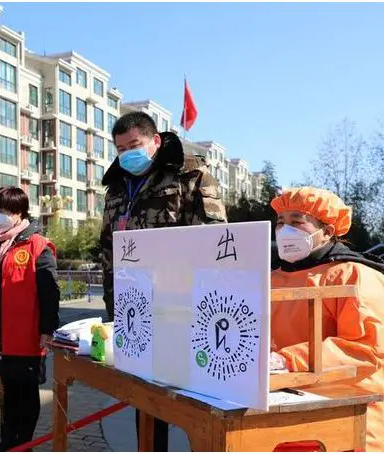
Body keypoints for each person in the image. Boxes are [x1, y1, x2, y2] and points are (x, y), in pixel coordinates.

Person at [100, 112, 227, 450]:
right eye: (121, 148)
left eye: (135, 145)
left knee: (190, 404)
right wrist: (112, 308)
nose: (128, 153)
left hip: (181, 311)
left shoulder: (192, 176)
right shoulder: (115, 186)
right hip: (132, 313)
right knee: (145, 401)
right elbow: (107, 249)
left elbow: (212, 244)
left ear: (155, 141)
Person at [268, 187, 384, 452]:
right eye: (280, 223)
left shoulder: (357, 277)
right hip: (279, 414)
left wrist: (285, 360)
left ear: (327, 231)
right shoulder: (272, 278)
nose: (284, 231)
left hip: (343, 420)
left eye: (296, 222)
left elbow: (364, 351)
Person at [0, 186, 60, 451]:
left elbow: (50, 293)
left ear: (19, 213)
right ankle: (8, 443)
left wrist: (48, 329)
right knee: (9, 392)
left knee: (27, 393)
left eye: (5, 211)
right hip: (1, 337)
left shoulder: (37, 246)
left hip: (28, 336)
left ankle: (24, 444)